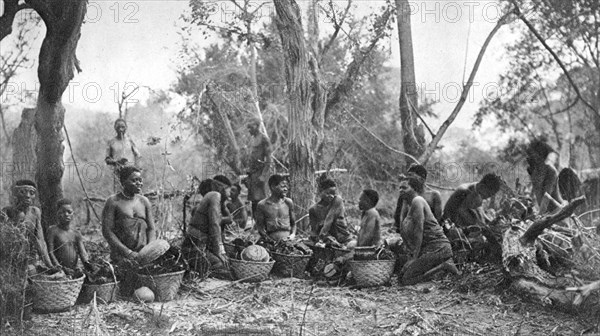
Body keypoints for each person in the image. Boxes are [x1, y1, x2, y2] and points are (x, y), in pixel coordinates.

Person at [397, 176, 459, 285]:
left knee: (406, 280)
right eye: (400, 188)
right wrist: (410, 257)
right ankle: (437, 269)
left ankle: (443, 267)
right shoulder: (407, 203)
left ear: (414, 189)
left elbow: (419, 230)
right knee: (401, 275)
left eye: (404, 188)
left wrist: (414, 258)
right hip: (427, 249)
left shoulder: (418, 201)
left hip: (438, 248)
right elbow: (402, 228)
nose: (401, 190)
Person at [101, 166, 156, 262]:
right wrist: (127, 252)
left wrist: (148, 250)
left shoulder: (144, 201)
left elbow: (151, 229)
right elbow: (107, 231)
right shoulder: (113, 201)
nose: (139, 183)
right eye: (134, 180)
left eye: (140, 180)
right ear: (123, 182)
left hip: (142, 256)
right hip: (121, 255)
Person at [183, 176, 232, 275]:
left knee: (228, 264)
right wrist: (219, 251)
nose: (229, 193)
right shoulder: (214, 195)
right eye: (228, 189)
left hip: (201, 247)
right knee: (222, 268)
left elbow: (226, 220)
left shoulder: (217, 200)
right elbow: (214, 224)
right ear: (222, 187)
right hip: (195, 249)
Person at [1, 180, 54, 270]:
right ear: (15, 195)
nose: (27, 196)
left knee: (33, 271)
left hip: (29, 257)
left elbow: (40, 239)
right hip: (10, 258)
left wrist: (50, 265)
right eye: (22, 192)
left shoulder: (35, 212)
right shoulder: (7, 211)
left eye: (31, 193)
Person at [395, 164, 442, 233]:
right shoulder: (406, 195)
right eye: (408, 176)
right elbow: (400, 220)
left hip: (430, 232)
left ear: (422, 179)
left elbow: (438, 220)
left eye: (411, 175)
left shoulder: (434, 195)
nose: (408, 178)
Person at [47, 199, 91, 270]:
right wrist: (57, 266)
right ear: (57, 214)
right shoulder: (52, 230)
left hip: (73, 269)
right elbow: (50, 252)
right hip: (58, 270)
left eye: (69, 212)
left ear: (73, 214)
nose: (66, 214)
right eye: (63, 212)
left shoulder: (76, 233)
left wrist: (87, 264)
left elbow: (82, 252)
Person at [308, 178, 353, 246]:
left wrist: (321, 239)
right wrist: (316, 240)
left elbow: (329, 220)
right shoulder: (313, 209)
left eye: (333, 193)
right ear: (320, 192)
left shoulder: (337, 200)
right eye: (328, 193)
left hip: (343, 238)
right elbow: (314, 230)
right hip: (326, 240)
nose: (331, 196)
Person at [526, 139, 565, 214]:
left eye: (532, 154)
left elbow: (546, 196)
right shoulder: (533, 171)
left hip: (557, 212)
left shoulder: (550, 171)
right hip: (545, 214)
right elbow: (532, 194)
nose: (528, 157)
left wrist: (540, 215)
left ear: (540, 156)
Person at [255, 174, 296, 242]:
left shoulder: (288, 202)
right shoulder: (262, 205)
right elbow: (260, 228)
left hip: (288, 241)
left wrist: (292, 235)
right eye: (282, 187)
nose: (286, 189)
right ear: (273, 187)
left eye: (286, 186)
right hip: (271, 242)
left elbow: (293, 224)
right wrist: (269, 240)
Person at [246, 119, 272, 217]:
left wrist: (263, 175)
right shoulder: (252, 139)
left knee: (261, 199)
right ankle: (256, 225)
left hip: (260, 173)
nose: (249, 130)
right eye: (248, 128)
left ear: (257, 126)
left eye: (251, 127)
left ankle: (265, 223)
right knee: (253, 200)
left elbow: (269, 159)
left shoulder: (264, 138)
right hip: (252, 174)